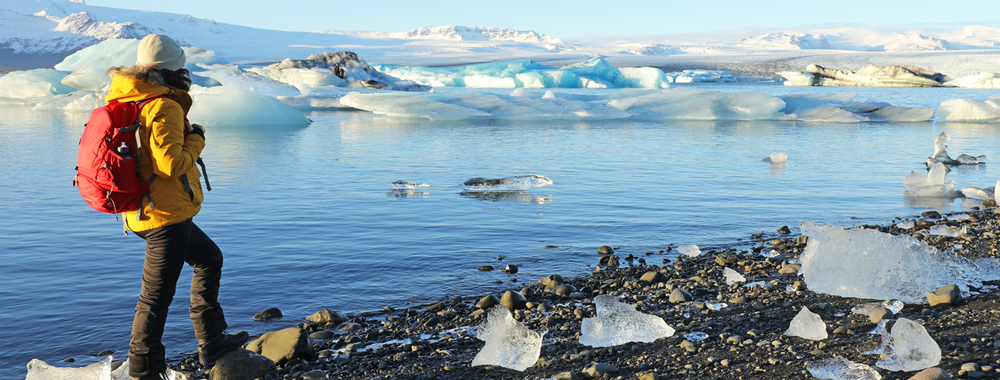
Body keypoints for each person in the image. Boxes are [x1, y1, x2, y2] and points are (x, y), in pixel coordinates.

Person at [106, 34, 248, 380]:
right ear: (173, 68)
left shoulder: (130, 98)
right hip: (164, 215)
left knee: (209, 258)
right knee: (155, 298)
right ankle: (144, 368)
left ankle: (212, 340)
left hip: (144, 210)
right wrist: (196, 137)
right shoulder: (163, 104)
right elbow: (170, 164)